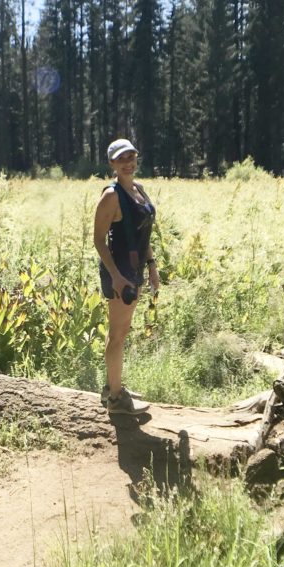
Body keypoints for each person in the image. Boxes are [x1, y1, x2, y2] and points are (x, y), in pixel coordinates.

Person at [93, 138, 160, 414]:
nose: (128, 163)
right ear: (112, 164)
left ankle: (112, 386)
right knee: (118, 335)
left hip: (135, 271)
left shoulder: (139, 191)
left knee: (118, 331)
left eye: (131, 156)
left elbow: (143, 233)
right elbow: (98, 240)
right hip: (119, 274)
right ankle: (117, 400)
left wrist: (153, 266)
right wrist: (117, 277)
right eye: (122, 159)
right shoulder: (111, 195)